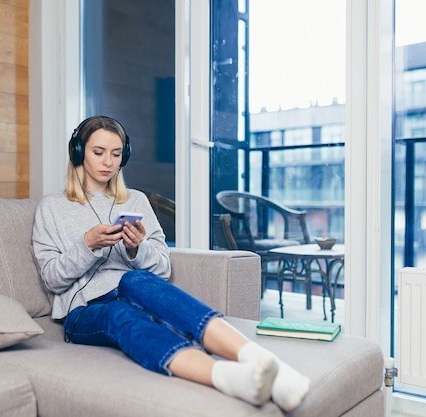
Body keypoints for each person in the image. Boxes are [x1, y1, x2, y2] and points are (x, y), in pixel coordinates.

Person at [32, 115, 310, 411]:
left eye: (116, 154)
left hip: (132, 290)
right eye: (98, 152)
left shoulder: (135, 201)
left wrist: (138, 248)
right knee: (118, 315)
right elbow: (51, 279)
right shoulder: (51, 207)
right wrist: (87, 245)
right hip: (83, 311)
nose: (108, 163)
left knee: (134, 280)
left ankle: (265, 364)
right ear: (78, 152)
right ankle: (224, 376)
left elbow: (162, 269)